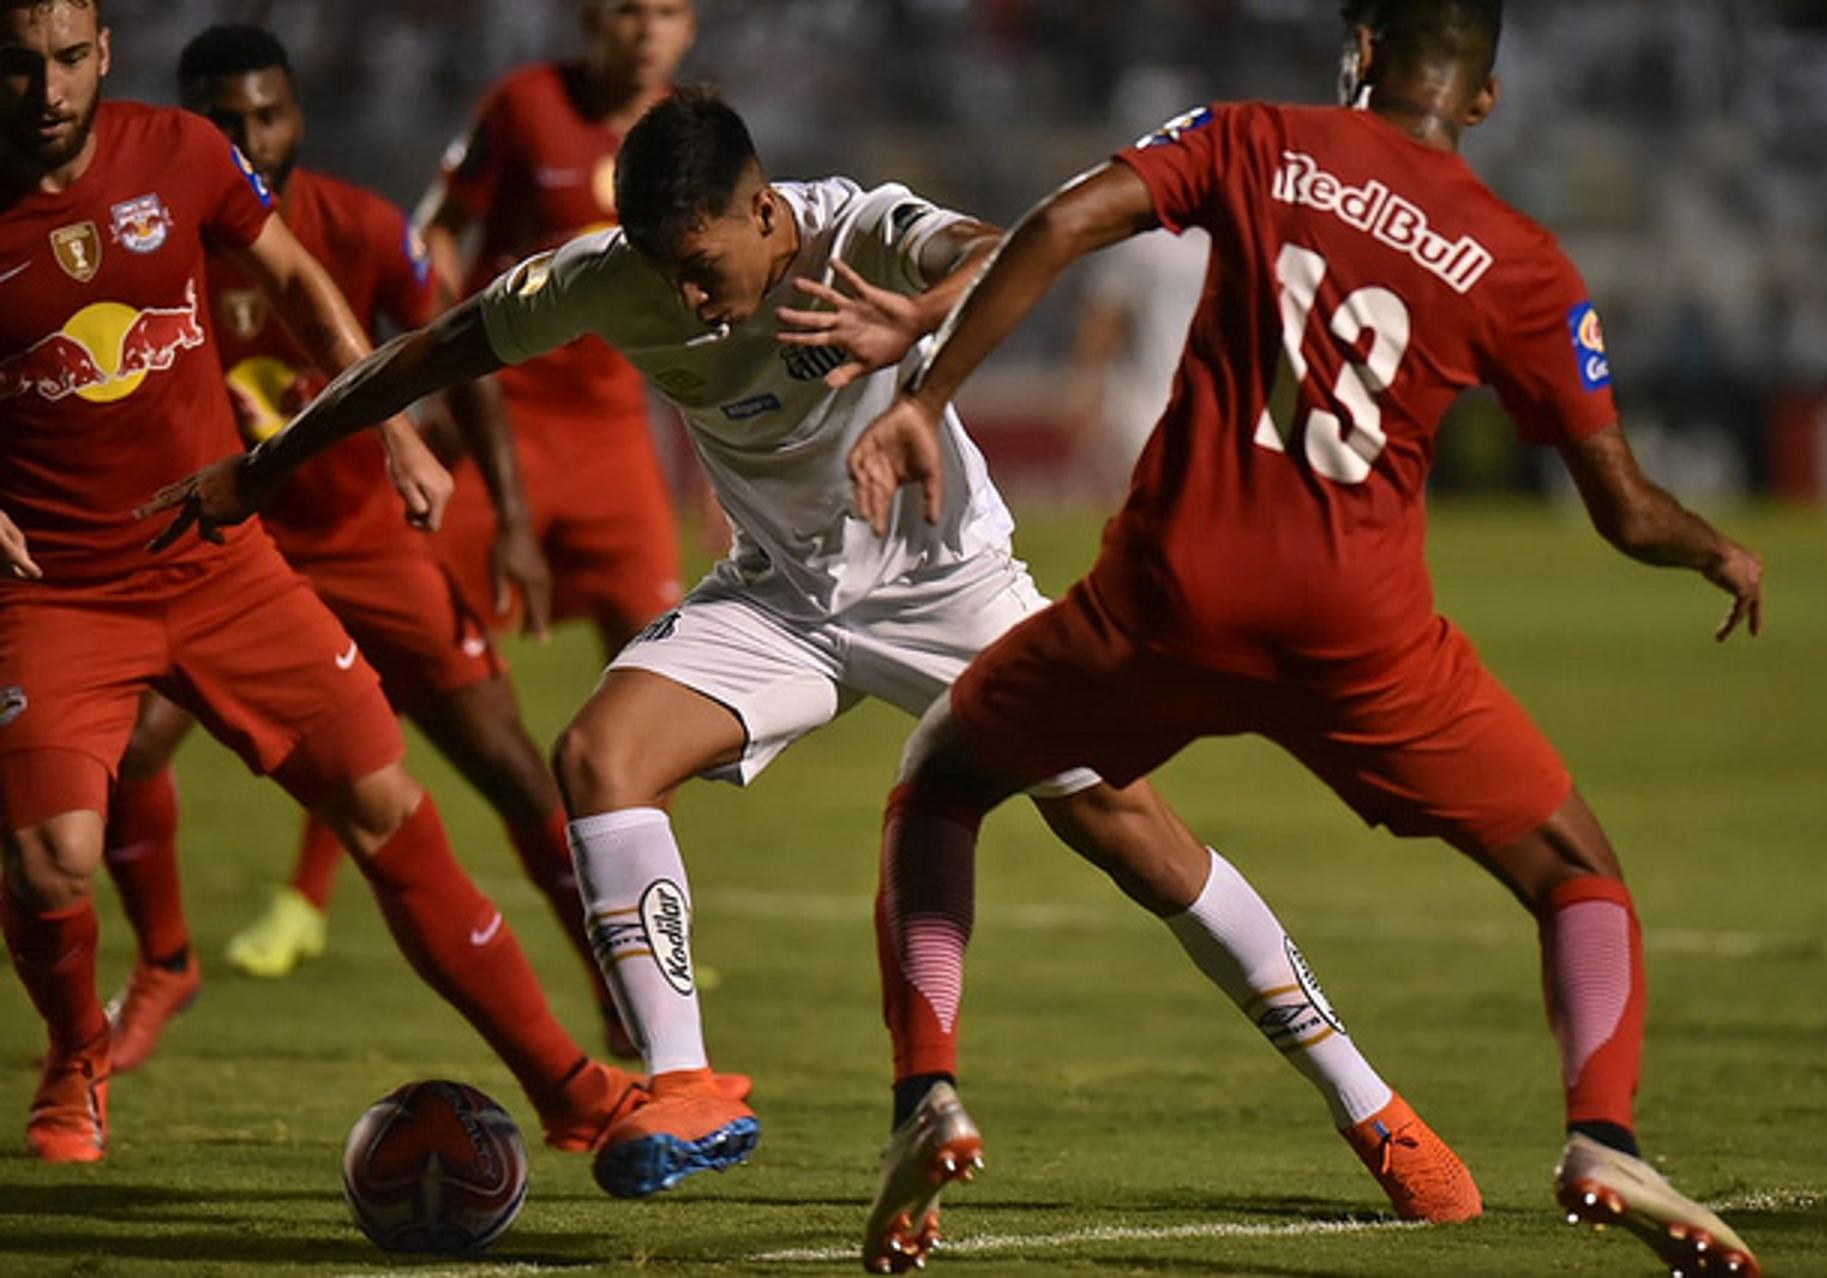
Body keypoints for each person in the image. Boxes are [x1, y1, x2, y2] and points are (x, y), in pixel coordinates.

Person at [145, 90, 1481, 1225]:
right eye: (660, 262)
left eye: (700, 258)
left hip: (955, 590)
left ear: (769, 210)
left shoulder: (861, 229)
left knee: (1131, 832)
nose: (681, 291)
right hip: (782, 601)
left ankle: (1373, 1107)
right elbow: (431, 351)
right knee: (598, 753)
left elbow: (1016, 248)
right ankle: (685, 1079)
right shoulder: (609, 277)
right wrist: (266, 466)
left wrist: (920, 320)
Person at [842, 1, 1766, 1273]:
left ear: (1364, 53)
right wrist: (1711, 545)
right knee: (1575, 873)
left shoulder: (1262, 141)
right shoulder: (1521, 259)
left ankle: (926, 1095)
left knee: (944, 774)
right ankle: (1602, 1132)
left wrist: (926, 394)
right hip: (1361, 631)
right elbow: (1622, 508)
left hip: (1173, 593)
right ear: (1484, 99)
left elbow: (1058, 224)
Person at [0, 0, 653, 1169]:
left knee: (393, 809)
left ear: (103, 54)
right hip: (56, 593)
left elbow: (299, 279)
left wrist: (390, 425)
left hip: (222, 566)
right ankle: (75, 1047)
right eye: (17, 65)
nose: (45, 91)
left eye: (66, 61)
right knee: (50, 856)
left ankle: (568, 1083)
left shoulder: (185, 156)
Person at [416, 0, 695, 654]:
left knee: (665, 659)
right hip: (502, 417)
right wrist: (445, 357)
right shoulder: (525, 104)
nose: (648, 29)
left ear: (690, 29)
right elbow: (437, 229)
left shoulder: (689, 133)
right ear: (593, 21)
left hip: (613, 425)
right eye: (630, 11)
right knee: (424, 634)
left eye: (667, 12)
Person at [1062, 226, 1209, 500]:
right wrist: (1086, 384)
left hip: (1218, 402)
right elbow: (1107, 312)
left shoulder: (1247, 230)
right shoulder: (1147, 241)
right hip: (1150, 398)